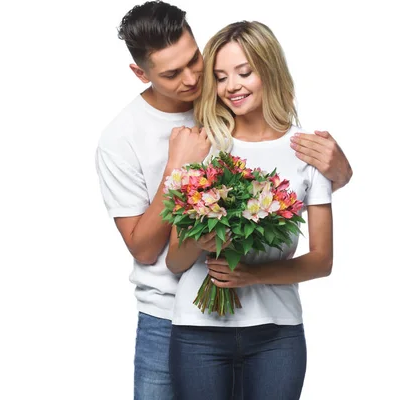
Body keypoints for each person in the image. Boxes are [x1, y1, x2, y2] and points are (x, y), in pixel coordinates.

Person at [95, 2, 351, 399]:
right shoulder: (124, 139)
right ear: (140, 74)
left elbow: (295, 190)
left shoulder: (225, 108)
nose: (193, 78)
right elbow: (148, 251)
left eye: (196, 61)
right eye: (172, 73)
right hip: (168, 312)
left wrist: (341, 171)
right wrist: (177, 172)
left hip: (268, 322)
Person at [166, 20, 334, 399]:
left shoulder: (307, 150)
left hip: (278, 333)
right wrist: (203, 239)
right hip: (198, 332)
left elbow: (322, 261)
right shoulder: (204, 145)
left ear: (269, 70)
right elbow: (175, 262)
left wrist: (252, 275)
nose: (232, 87)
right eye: (221, 77)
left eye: (245, 72)